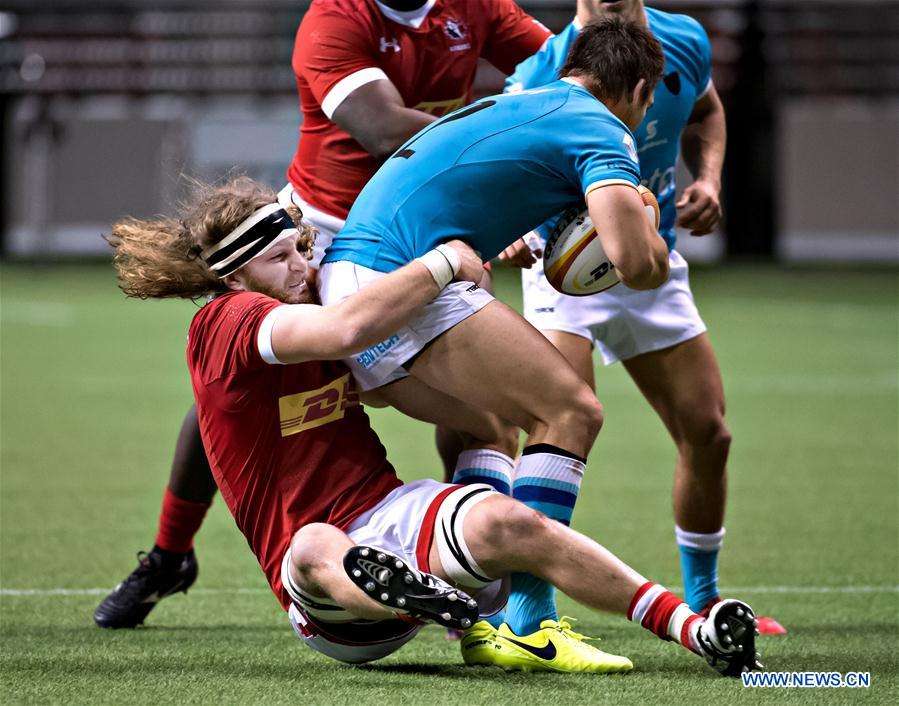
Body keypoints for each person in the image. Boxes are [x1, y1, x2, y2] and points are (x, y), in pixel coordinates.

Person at [104, 176, 762, 676]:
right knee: (309, 544)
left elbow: (411, 395)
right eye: (279, 259)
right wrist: (442, 263)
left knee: (515, 520)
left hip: (389, 515)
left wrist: (470, 317)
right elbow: (346, 328)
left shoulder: (308, 301)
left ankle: (695, 632)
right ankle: (398, 592)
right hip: (324, 607)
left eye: (299, 248)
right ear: (230, 275)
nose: (302, 267)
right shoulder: (227, 322)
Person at [94, 0, 550, 631]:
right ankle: (171, 555)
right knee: (231, 390)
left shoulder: (476, 7)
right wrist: (513, 155)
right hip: (324, 235)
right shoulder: (338, 16)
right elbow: (387, 131)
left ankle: (469, 572)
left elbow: (558, 75)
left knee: (483, 408)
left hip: (425, 229)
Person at [316, 17, 676, 666]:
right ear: (641, 88)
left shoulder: (519, 105)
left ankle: (478, 622)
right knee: (570, 411)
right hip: (401, 275)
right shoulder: (600, 126)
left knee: (489, 428)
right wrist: (647, 225)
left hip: (348, 284)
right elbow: (631, 258)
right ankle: (528, 624)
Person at [498, 0, 785, 635]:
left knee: (709, 433)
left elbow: (706, 111)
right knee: (559, 428)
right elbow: (506, 165)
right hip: (564, 266)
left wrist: (709, 180)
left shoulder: (683, 40)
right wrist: (510, 230)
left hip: (653, 260)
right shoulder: (540, 69)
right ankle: (527, 614)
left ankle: (707, 599)